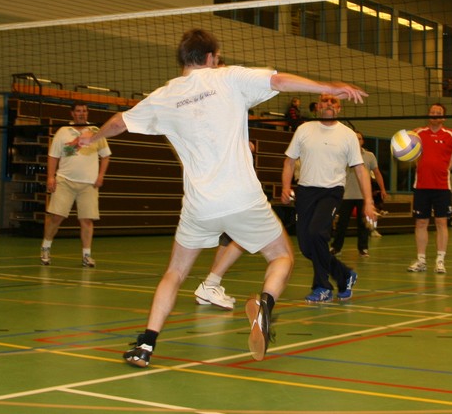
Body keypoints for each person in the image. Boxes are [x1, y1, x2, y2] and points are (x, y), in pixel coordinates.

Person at [75, 28, 367, 367]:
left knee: (175, 272)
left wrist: (91, 138)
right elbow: (279, 81)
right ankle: (265, 304)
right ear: (211, 57)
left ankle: (146, 344)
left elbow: (118, 123)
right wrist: (328, 87)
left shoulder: (163, 96)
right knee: (281, 257)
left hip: (199, 205)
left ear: (183, 59)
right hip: (243, 198)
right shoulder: (229, 77)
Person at [282, 94, 375, 302]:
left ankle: (322, 287)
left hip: (331, 192)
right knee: (307, 247)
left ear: (339, 108)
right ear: (317, 107)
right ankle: (344, 275)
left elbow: (360, 170)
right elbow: (289, 161)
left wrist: (368, 201)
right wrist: (286, 187)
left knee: (317, 233)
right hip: (305, 192)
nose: (329, 104)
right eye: (325, 101)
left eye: (333, 101)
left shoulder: (348, 135)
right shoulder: (304, 129)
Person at [408, 102, 452, 273]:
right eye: (432, 112)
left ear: (443, 117)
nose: (434, 114)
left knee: (441, 222)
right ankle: (421, 261)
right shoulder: (418, 133)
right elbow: (405, 148)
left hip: (442, 186)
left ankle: (440, 261)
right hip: (421, 186)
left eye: (438, 112)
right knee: (421, 223)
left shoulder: (451, 135)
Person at [41, 102, 111, 267]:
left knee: (87, 220)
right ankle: (45, 248)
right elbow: (54, 155)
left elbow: (106, 155)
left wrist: (100, 175)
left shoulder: (96, 131)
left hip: (89, 184)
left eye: (84, 111)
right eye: (78, 111)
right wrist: (50, 177)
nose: (82, 113)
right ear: (72, 113)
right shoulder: (63, 131)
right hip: (65, 181)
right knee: (56, 217)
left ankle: (86, 255)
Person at [331, 132, 385, 257]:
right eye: (354, 138)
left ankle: (363, 249)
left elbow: (377, 173)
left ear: (362, 141)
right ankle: (336, 248)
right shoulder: (344, 155)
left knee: (363, 225)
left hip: (363, 196)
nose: (357, 140)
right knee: (342, 223)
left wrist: (382, 189)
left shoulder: (370, 156)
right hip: (346, 195)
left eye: (359, 138)